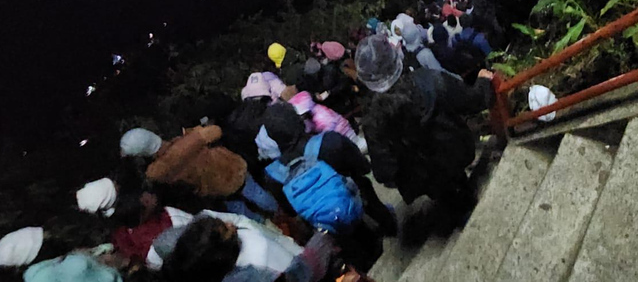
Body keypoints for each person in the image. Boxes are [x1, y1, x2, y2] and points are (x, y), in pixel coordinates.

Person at [355, 35, 492, 225]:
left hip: (422, 179)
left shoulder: (372, 121)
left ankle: (458, 210)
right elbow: (474, 101)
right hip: (454, 153)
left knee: (444, 192)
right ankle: (465, 203)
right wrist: (484, 82)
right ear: (397, 60)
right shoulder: (430, 80)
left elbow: (383, 172)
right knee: (454, 180)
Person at [262, 104, 395, 270]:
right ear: (299, 121)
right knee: (361, 183)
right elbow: (364, 167)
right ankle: (388, 225)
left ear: (274, 139)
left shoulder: (273, 175)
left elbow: (291, 210)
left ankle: (359, 263)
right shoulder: (330, 141)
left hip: (328, 226)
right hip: (361, 204)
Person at [119, 127, 278, 220]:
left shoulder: (156, 172)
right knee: (257, 193)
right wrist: (193, 132)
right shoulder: (192, 138)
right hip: (232, 169)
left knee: (241, 211)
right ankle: (280, 215)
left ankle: (269, 228)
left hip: (216, 190)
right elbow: (216, 131)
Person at [159, 215, 331, 282]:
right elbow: (300, 273)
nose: (231, 224)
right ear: (219, 255)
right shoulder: (254, 270)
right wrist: (324, 235)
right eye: (226, 229)